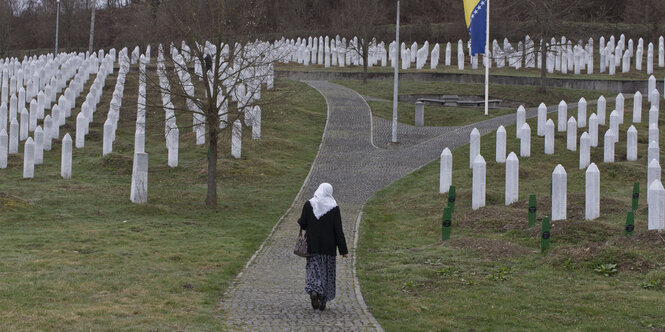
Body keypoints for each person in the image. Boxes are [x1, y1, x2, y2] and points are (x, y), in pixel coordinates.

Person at [298, 183, 348, 311]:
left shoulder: (309, 204)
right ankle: (323, 300)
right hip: (329, 248)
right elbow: (338, 230)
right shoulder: (334, 207)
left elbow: (302, 223)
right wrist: (343, 250)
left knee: (313, 269)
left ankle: (314, 290)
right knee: (326, 273)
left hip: (313, 245)